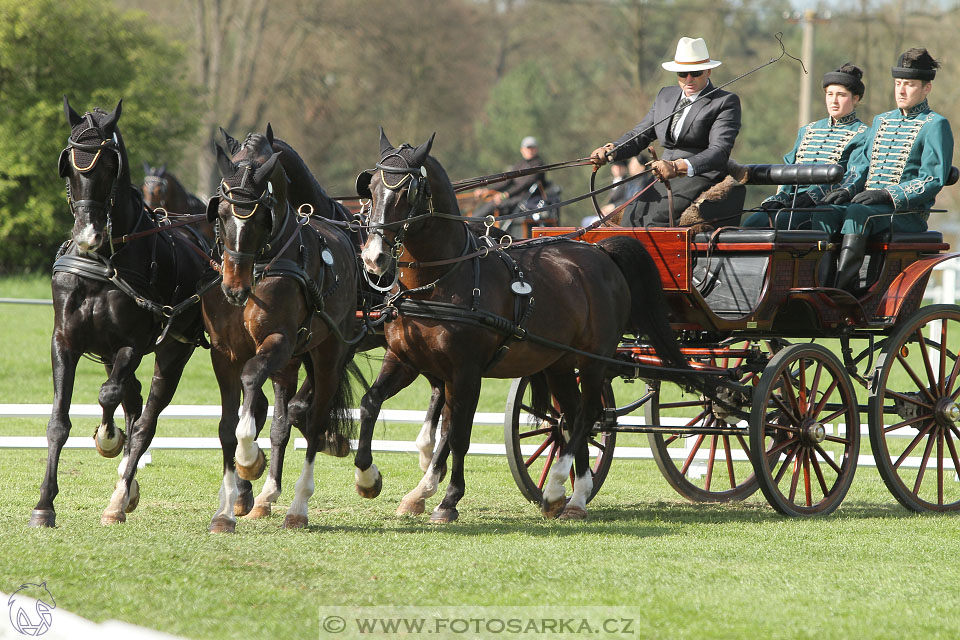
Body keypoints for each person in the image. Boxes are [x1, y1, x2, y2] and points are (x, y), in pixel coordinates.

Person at [817, 48, 954, 290]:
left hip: (906, 214)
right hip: (867, 206)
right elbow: (862, 166)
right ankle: (819, 284)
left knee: (858, 214)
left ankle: (842, 290)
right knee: (827, 212)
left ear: (926, 88)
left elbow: (932, 178)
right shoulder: (882, 120)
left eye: (909, 84)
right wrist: (847, 191)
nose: (901, 90)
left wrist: (886, 194)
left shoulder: (935, 124)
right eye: (898, 83)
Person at [590, 36, 741, 227]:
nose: (688, 79)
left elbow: (719, 151)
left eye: (695, 72)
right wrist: (611, 150)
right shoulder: (665, 96)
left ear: (708, 71)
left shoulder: (725, 102)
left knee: (656, 220)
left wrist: (678, 167)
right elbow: (641, 134)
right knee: (631, 217)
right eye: (682, 73)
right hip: (662, 175)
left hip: (698, 175)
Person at [743, 64, 870, 229]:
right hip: (793, 201)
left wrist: (814, 196)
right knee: (752, 222)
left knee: (782, 223)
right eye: (830, 94)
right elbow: (789, 168)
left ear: (855, 98)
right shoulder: (808, 130)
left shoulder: (864, 134)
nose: (834, 101)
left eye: (841, 95)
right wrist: (780, 197)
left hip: (827, 204)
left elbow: (853, 176)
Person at [473, 136, 547, 221]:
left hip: (528, 199)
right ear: (522, 150)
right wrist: (487, 190)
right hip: (515, 198)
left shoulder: (538, 164)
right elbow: (506, 182)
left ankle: (471, 222)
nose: (529, 150)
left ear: (536, 149)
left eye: (532, 148)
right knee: (487, 202)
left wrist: (505, 195)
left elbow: (525, 184)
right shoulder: (519, 165)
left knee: (494, 204)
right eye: (527, 148)